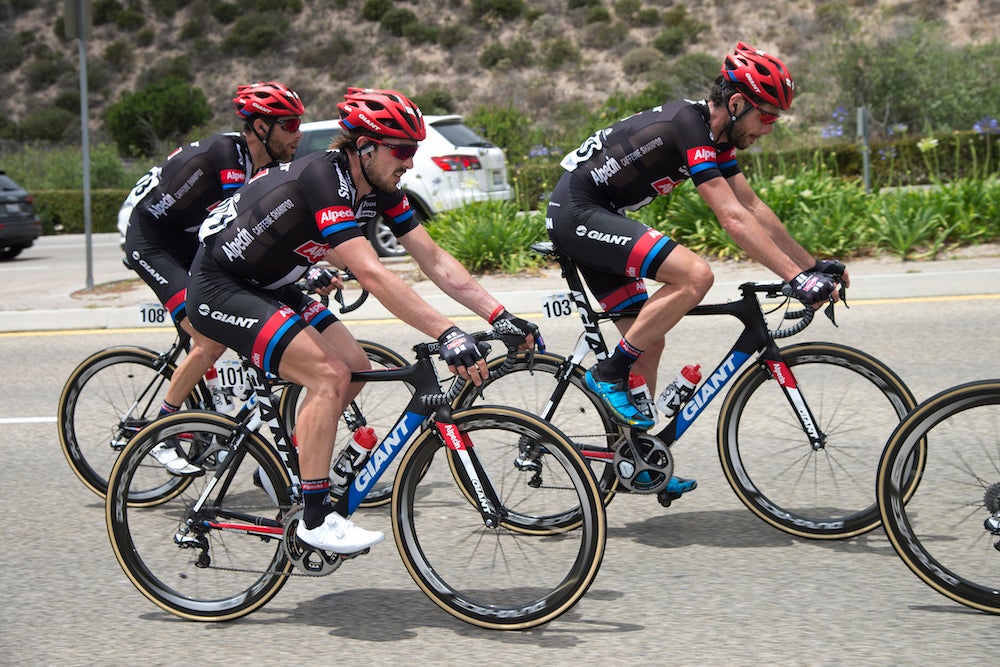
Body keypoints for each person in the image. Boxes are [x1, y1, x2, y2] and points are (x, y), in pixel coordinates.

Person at [186, 87, 540, 554]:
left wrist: (500, 314)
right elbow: (371, 271)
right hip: (222, 287)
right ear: (366, 147)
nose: (410, 163)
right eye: (403, 151)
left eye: (415, 151)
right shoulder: (323, 176)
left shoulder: (380, 189)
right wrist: (447, 333)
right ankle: (315, 519)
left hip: (273, 283)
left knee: (354, 366)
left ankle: (286, 472)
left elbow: (433, 259)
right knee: (328, 376)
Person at [546, 42, 849, 497]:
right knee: (695, 275)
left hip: (600, 214)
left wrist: (810, 265)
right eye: (766, 117)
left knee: (649, 338)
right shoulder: (688, 124)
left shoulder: (717, 137)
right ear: (737, 103)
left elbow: (751, 206)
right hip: (578, 212)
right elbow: (731, 218)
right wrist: (795, 279)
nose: (769, 129)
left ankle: (638, 460)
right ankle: (607, 373)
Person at [121, 81, 306, 475]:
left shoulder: (264, 167)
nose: (298, 133)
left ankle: (211, 423)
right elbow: (238, 226)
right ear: (259, 127)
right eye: (289, 124)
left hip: (188, 240)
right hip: (153, 242)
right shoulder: (227, 154)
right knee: (209, 339)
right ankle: (161, 433)